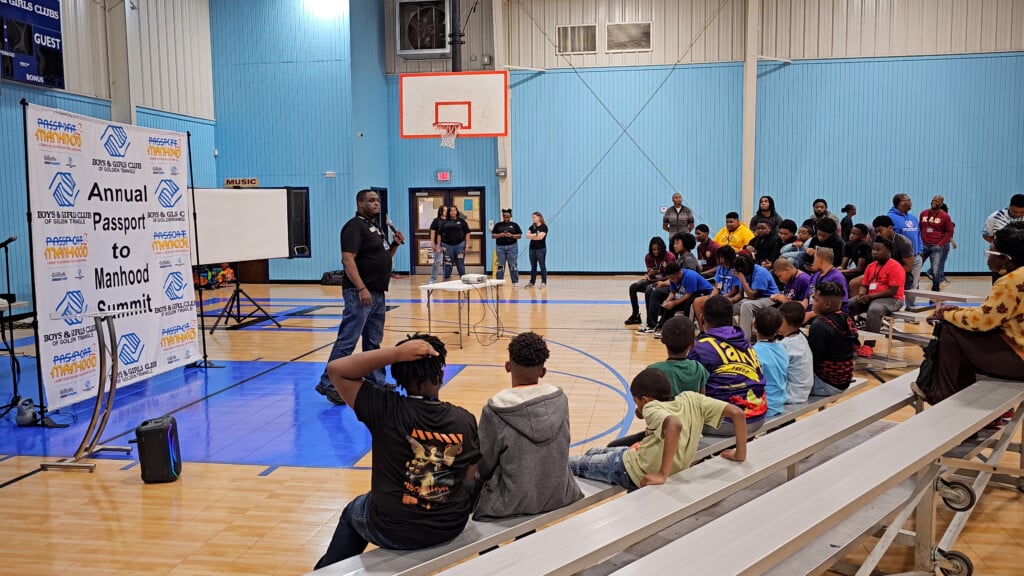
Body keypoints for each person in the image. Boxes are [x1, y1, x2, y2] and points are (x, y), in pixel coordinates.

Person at [314, 334, 480, 568]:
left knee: (354, 511)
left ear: (398, 376)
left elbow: (336, 369)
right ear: (441, 375)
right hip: (449, 526)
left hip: (392, 530)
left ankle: (326, 572)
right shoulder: (464, 420)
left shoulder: (385, 408)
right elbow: (468, 478)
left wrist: (396, 354)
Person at [569, 368, 746, 491]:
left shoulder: (651, 407)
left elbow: (673, 426)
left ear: (645, 400)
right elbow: (738, 413)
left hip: (628, 469)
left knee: (574, 464)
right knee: (594, 451)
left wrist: (662, 474)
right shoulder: (692, 399)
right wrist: (740, 454)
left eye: (636, 401)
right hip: (638, 457)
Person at [474, 332, 582, 520]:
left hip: (510, 502)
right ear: (543, 371)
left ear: (508, 367)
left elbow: (484, 464)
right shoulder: (560, 400)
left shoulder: (495, 410)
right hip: (560, 493)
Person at [914, 222, 1024, 405]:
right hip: (1015, 349)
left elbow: (982, 321)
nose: (987, 257)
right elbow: (994, 313)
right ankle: (975, 405)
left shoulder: (1010, 282)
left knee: (949, 329)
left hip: (1019, 359)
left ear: (1005, 258)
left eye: (990, 252)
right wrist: (958, 311)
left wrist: (945, 314)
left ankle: (941, 395)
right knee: (960, 345)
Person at [316, 189, 405, 405]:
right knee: (348, 339)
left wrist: (394, 245)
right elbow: (348, 260)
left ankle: (376, 379)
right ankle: (328, 383)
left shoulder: (375, 228)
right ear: (360, 203)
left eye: (378, 200)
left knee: (373, 340)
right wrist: (361, 288)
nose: (376, 204)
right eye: (371, 200)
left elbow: (382, 256)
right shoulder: (353, 227)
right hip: (360, 294)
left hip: (378, 292)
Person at [689, 295, 768, 436]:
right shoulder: (746, 342)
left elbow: (687, 389)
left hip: (728, 423)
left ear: (702, 319)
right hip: (759, 416)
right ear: (732, 319)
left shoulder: (700, 348)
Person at [807, 282, 858, 395]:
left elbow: (813, 359)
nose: (812, 303)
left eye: (815, 300)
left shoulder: (819, 325)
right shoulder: (847, 318)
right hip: (844, 380)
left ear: (827, 304)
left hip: (825, 384)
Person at [848, 238, 905, 336]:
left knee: (874, 310)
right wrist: (862, 294)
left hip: (892, 299)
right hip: (871, 297)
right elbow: (864, 285)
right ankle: (850, 335)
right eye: (873, 249)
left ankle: (869, 343)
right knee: (847, 305)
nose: (874, 252)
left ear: (888, 251)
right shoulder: (871, 266)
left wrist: (869, 297)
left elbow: (892, 291)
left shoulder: (895, 267)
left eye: (878, 250)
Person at [638, 262, 713, 335]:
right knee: (669, 306)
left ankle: (686, 329)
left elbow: (689, 294)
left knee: (688, 305)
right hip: (690, 294)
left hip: (704, 293)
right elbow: (672, 292)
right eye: (670, 278)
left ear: (679, 273)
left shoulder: (689, 276)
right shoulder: (673, 278)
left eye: (673, 278)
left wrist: (673, 303)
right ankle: (662, 328)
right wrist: (667, 301)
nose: (672, 280)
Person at [648, 316, 710, 396]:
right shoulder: (698, 368)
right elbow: (702, 399)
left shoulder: (654, 370)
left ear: (662, 340)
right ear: (693, 344)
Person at [625, 237, 676, 326]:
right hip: (653, 280)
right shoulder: (648, 257)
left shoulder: (670, 257)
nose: (655, 252)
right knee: (633, 287)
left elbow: (672, 277)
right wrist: (650, 274)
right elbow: (649, 272)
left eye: (658, 249)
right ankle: (635, 314)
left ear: (662, 248)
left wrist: (659, 277)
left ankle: (651, 320)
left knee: (649, 290)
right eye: (653, 249)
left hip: (665, 282)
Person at [732, 254, 780, 342]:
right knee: (730, 308)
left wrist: (742, 279)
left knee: (747, 306)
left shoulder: (760, 273)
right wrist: (730, 301)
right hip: (756, 299)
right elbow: (740, 294)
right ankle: (736, 335)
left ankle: (745, 341)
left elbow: (752, 295)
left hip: (770, 298)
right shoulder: (742, 272)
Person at [887, 194, 923, 307]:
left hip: (915, 256)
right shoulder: (890, 217)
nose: (910, 202)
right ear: (899, 202)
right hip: (900, 258)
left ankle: (911, 309)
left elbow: (918, 235)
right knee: (896, 283)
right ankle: (891, 307)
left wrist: (920, 250)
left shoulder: (913, 218)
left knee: (914, 284)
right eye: (907, 200)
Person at [752, 307, 788, 417]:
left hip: (764, 406)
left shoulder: (753, 352)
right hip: (779, 403)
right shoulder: (783, 348)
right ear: (778, 329)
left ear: (754, 324)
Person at [982, 194, 1024, 284]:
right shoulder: (995, 217)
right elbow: (986, 234)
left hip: (1021, 260)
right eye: (1015, 211)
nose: (1017, 214)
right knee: (1000, 284)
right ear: (1009, 206)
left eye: (1021, 212)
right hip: (1001, 260)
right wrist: (1000, 245)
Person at [778, 301, 814, 404]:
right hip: (803, 391)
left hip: (791, 394)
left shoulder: (785, 345)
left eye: (781, 320)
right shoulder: (801, 336)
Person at [920, 195, 954, 291]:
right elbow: (920, 228)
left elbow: (949, 232)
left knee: (936, 271)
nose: (934, 202)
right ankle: (914, 288)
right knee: (916, 267)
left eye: (937, 201)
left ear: (941, 204)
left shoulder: (945, 217)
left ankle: (935, 290)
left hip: (936, 247)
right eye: (933, 200)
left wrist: (940, 244)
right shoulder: (923, 213)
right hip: (923, 245)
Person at [805, 247, 848, 323]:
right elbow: (806, 298)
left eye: (814, 259)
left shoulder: (837, 277)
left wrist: (810, 315)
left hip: (829, 315)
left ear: (820, 259)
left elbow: (838, 304)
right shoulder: (815, 275)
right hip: (812, 311)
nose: (813, 262)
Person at [491, 209, 523, 286]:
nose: (506, 219)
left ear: (510, 216)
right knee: (500, 265)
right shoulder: (498, 225)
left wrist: (511, 235)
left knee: (513, 265)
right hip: (500, 248)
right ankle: (499, 282)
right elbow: (493, 235)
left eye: (507, 217)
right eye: (504, 217)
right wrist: (501, 235)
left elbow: (519, 236)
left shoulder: (514, 225)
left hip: (512, 247)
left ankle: (515, 281)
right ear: (503, 216)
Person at [441, 205, 471, 281]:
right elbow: (439, 234)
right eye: (451, 210)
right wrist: (439, 246)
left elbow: (467, 233)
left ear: (457, 212)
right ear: (449, 212)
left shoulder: (462, 221)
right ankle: (446, 279)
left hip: (459, 245)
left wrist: (467, 246)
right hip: (447, 246)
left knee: (460, 263)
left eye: (454, 210)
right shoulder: (444, 222)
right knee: (448, 263)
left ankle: (463, 279)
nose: (453, 212)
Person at [525, 212, 548, 288]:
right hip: (532, 249)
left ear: (539, 217)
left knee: (542, 266)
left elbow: (541, 237)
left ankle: (543, 282)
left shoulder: (544, 227)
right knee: (533, 266)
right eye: (532, 217)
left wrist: (533, 236)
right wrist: (536, 235)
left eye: (534, 217)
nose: (533, 219)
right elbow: (527, 236)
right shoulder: (532, 227)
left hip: (541, 249)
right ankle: (532, 282)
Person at [428, 205, 447, 284]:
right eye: (445, 210)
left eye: (447, 210)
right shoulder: (436, 221)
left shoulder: (449, 220)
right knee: (437, 262)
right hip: (438, 244)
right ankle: (433, 278)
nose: (446, 212)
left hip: (448, 244)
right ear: (441, 211)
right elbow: (433, 232)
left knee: (447, 263)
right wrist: (432, 242)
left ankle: (446, 278)